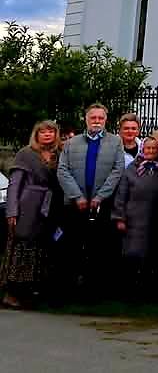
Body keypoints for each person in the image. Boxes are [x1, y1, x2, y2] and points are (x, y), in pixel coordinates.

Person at [56, 103, 125, 293]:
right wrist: (77, 196)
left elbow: (117, 170)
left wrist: (101, 196)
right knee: (71, 246)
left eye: (100, 118)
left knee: (99, 247)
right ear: (86, 119)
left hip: (102, 204)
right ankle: (68, 287)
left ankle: (94, 288)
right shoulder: (72, 143)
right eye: (93, 117)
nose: (97, 121)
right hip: (75, 204)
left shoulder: (115, 142)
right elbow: (62, 170)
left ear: (106, 120)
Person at [1, 119, 62, 309]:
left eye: (51, 131)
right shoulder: (25, 154)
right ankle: (11, 293)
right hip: (27, 206)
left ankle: (30, 292)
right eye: (43, 131)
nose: (47, 134)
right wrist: (12, 211)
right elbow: (14, 185)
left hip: (48, 206)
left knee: (41, 249)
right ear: (36, 134)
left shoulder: (59, 155)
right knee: (21, 247)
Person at [112, 136, 158, 287]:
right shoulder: (131, 169)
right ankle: (130, 286)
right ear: (142, 149)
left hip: (157, 218)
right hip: (135, 219)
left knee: (154, 254)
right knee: (133, 253)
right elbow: (121, 194)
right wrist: (120, 217)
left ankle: (150, 286)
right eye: (148, 148)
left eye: (154, 148)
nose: (151, 151)